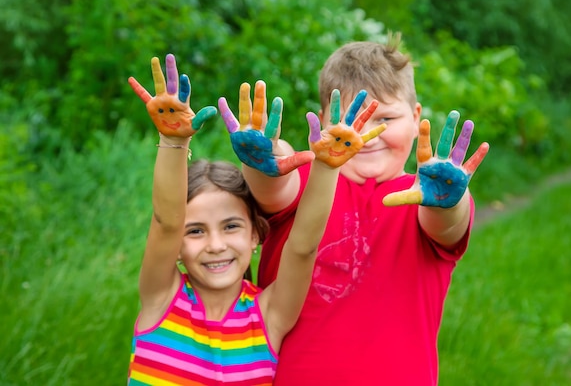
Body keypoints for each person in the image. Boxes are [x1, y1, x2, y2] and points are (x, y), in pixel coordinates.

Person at [219, 36, 490, 385]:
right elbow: (274, 182)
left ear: (416, 116)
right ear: (320, 121)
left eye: (387, 118)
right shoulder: (308, 183)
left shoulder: (422, 197)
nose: (367, 137)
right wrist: (264, 157)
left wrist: (450, 202)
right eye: (351, 121)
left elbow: (448, 225)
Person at [125, 54, 385, 385]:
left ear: (255, 235)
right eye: (195, 231)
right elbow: (167, 221)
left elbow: (303, 247)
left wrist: (326, 167)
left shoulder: (268, 315)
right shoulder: (161, 297)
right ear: (176, 246)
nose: (216, 245)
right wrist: (174, 140)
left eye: (231, 226)